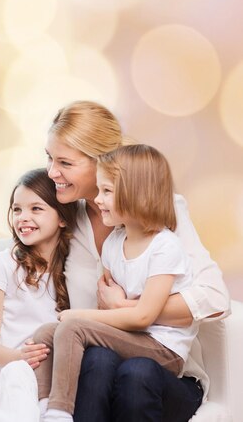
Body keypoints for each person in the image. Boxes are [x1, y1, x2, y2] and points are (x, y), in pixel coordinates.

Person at [0, 101, 230, 422]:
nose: (52, 173)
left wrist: (127, 308)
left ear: (103, 162)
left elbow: (215, 298)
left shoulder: (159, 213)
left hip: (159, 373)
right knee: (98, 360)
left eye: (64, 162)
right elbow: (23, 265)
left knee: (135, 372)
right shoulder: (65, 219)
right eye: (49, 158)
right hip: (95, 369)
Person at [34, 144, 198, 421]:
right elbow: (109, 312)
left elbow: (143, 316)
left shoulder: (164, 247)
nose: (97, 200)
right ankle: (40, 405)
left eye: (106, 191)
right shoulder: (114, 243)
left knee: (71, 326)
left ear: (136, 193)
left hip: (162, 348)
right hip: (131, 339)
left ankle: (59, 412)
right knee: (46, 334)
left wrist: (76, 316)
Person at [0, 169, 77, 422]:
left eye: (36, 209)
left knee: (19, 376)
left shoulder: (74, 271)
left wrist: (24, 364)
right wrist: (20, 357)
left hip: (29, 376)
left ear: (62, 218)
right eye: (17, 209)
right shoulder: (0, 264)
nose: (23, 218)